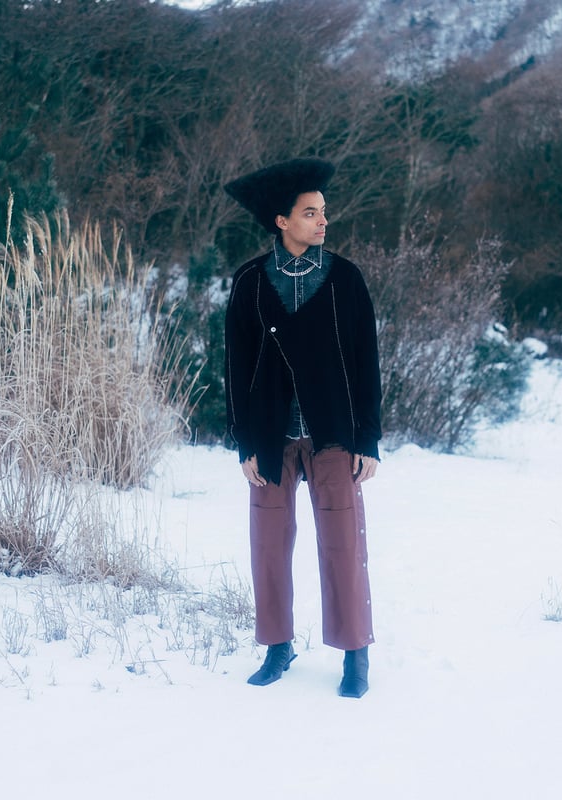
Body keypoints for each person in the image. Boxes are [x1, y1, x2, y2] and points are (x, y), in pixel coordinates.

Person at [223, 157, 382, 698]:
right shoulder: (249, 282)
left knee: (342, 544)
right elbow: (235, 365)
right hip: (271, 436)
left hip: (333, 432)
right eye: (311, 213)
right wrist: (244, 442)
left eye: (323, 212)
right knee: (268, 545)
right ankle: (277, 646)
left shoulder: (345, 279)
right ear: (281, 220)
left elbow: (366, 362)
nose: (323, 221)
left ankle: (355, 654)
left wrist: (368, 440)